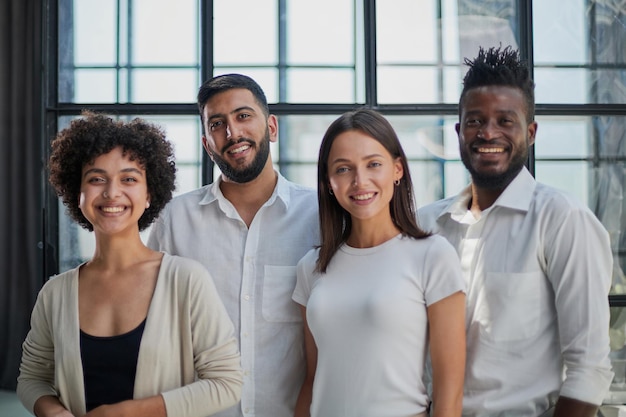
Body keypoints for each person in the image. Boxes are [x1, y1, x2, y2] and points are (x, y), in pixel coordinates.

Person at [417, 45, 614, 417]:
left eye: (505, 121)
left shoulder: (562, 219)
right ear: (459, 131)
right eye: (475, 121)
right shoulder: (427, 225)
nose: (487, 133)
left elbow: (588, 368)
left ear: (531, 132)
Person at [17, 112, 243, 417]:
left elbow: (226, 383)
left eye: (129, 179)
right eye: (97, 179)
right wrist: (55, 413)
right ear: (77, 193)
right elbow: (32, 379)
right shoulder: (55, 293)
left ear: (149, 193)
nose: (111, 192)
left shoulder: (186, 280)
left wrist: (126, 413)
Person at [147, 74, 319, 417]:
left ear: (271, 127)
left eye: (243, 116)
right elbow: (154, 330)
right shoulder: (174, 221)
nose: (232, 133)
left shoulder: (318, 217)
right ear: (206, 142)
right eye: (217, 124)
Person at [293, 108, 466, 417]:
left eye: (373, 164)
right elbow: (312, 380)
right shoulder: (311, 267)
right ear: (329, 181)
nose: (360, 181)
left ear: (397, 169)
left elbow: (449, 396)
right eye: (343, 169)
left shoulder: (432, 255)